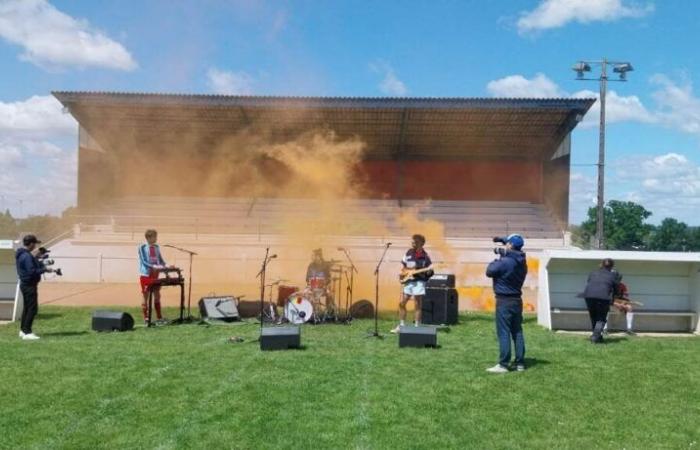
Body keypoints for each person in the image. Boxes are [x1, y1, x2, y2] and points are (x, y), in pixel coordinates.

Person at [485, 234, 528, 373]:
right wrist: (504, 243)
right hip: (517, 300)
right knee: (517, 331)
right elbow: (514, 249)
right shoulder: (522, 261)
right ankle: (520, 363)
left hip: (504, 300)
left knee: (503, 332)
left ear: (510, 246)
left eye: (507, 243)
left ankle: (503, 364)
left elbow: (489, 271)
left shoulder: (505, 261)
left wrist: (499, 256)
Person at [391, 234, 433, 333]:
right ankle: (401, 326)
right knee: (402, 303)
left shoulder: (425, 256)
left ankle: (417, 327)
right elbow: (404, 266)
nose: (413, 243)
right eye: (412, 241)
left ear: (421, 243)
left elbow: (430, 270)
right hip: (408, 281)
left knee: (417, 304)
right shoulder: (408, 252)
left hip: (419, 282)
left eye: (415, 242)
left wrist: (427, 272)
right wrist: (403, 274)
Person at [15, 234, 51, 340]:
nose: (35, 246)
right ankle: (27, 332)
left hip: (25, 284)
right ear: (30, 244)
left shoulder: (23, 254)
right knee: (32, 309)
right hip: (29, 285)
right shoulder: (26, 256)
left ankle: (23, 330)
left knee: (27, 308)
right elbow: (32, 272)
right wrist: (45, 269)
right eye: (34, 243)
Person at [582, 258, 620, 343]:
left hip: (588, 296)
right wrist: (615, 298)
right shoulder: (613, 275)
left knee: (593, 317)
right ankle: (595, 337)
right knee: (601, 319)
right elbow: (617, 289)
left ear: (601, 264)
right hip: (603, 297)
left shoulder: (593, 273)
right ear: (612, 266)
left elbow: (590, 282)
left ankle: (598, 336)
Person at [138, 229, 168, 325]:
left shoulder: (156, 247)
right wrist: (153, 266)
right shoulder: (142, 247)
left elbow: (160, 260)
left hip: (156, 273)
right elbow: (143, 261)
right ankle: (146, 318)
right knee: (145, 295)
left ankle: (159, 317)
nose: (156, 238)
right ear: (149, 237)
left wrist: (166, 266)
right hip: (146, 274)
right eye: (154, 236)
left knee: (157, 294)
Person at [604, 271, 635, 335]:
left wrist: (623, 303)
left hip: (620, 303)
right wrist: (616, 304)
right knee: (604, 308)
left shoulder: (622, 285)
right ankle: (604, 329)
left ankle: (629, 329)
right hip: (610, 304)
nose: (618, 280)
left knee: (629, 307)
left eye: (619, 279)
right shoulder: (608, 286)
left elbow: (625, 297)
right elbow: (606, 299)